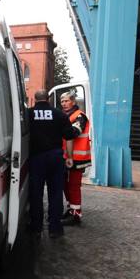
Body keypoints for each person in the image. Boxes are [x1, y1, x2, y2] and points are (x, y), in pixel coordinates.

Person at [28, 89, 81, 239]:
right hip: (55, 158)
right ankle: (55, 228)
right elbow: (69, 136)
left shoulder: (29, 114)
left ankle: (36, 227)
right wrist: (69, 157)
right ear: (48, 99)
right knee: (56, 193)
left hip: (36, 158)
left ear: (35, 99)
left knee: (36, 193)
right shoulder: (59, 114)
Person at [60, 92, 92, 226]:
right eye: (62, 101)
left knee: (73, 185)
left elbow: (74, 133)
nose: (64, 104)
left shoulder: (80, 116)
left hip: (77, 158)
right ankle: (71, 208)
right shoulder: (66, 115)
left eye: (66, 101)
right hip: (67, 156)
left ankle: (76, 214)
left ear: (73, 101)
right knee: (65, 184)